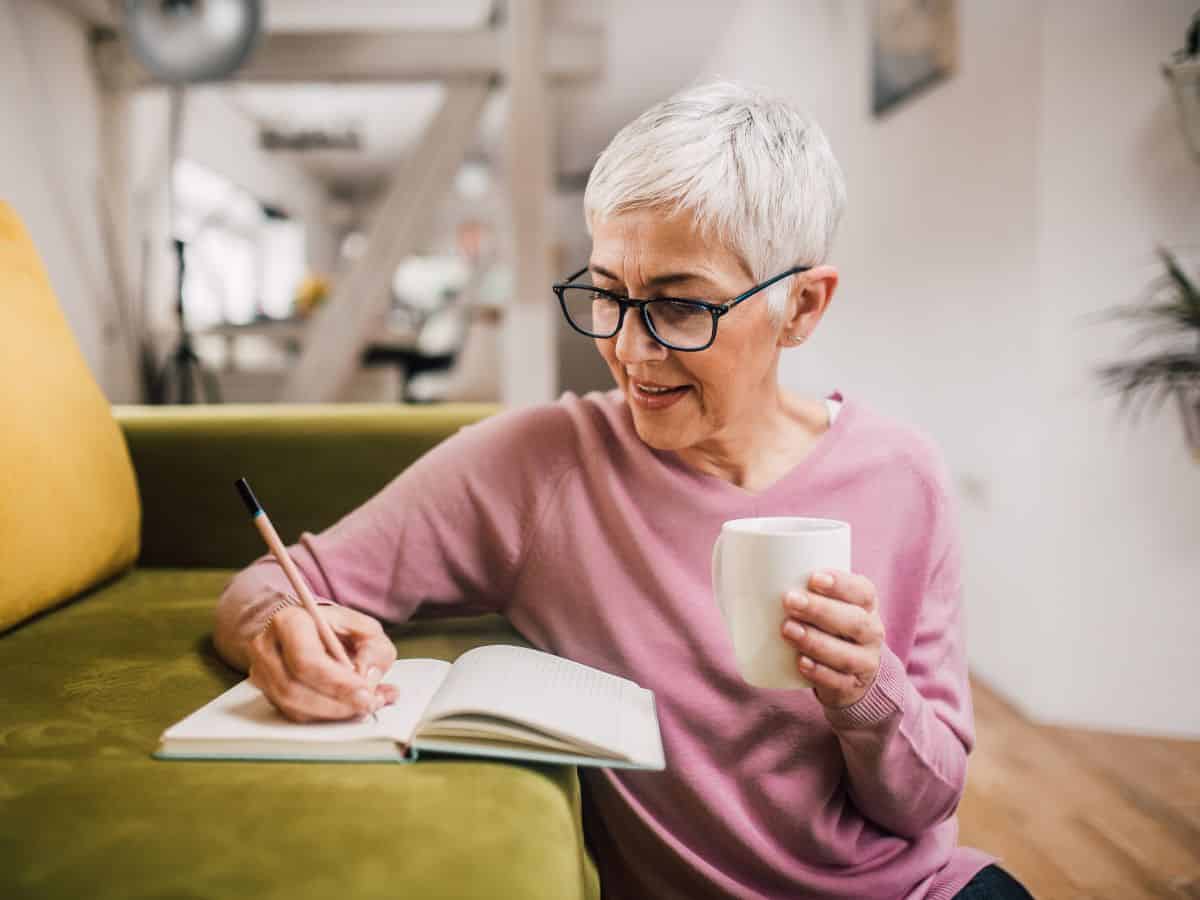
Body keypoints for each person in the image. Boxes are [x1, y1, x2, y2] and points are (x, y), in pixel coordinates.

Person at [214, 81, 1034, 900]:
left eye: (680, 306)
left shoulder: (905, 477)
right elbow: (274, 583)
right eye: (608, 293)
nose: (631, 349)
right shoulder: (535, 466)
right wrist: (279, 632)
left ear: (803, 307)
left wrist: (866, 692)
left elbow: (926, 801)